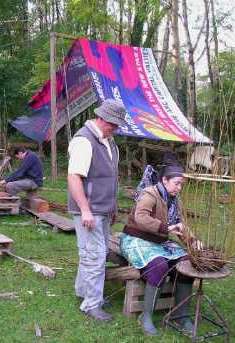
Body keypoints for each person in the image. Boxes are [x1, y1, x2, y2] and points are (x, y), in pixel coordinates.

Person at [120, 159, 202, 335]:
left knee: (186, 262)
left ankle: (180, 316)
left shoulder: (174, 200)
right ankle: (146, 316)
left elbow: (180, 225)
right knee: (159, 265)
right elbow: (141, 217)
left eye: (181, 184)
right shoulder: (149, 194)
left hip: (159, 241)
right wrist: (166, 228)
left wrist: (193, 241)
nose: (179, 188)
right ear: (164, 180)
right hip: (136, 239)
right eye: (177, 183)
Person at [67, 99, 127, 322]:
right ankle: (91, 304)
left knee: (93, 255)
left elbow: (108, 178)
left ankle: (86, 292)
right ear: (101, 118)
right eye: (113, 123)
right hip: (89, 211)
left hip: (103, 210)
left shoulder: (109, 141)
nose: (116, 128)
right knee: (94, 256)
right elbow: (74, 177)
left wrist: (113, 207)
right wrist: (85, 210)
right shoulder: (84, 140)